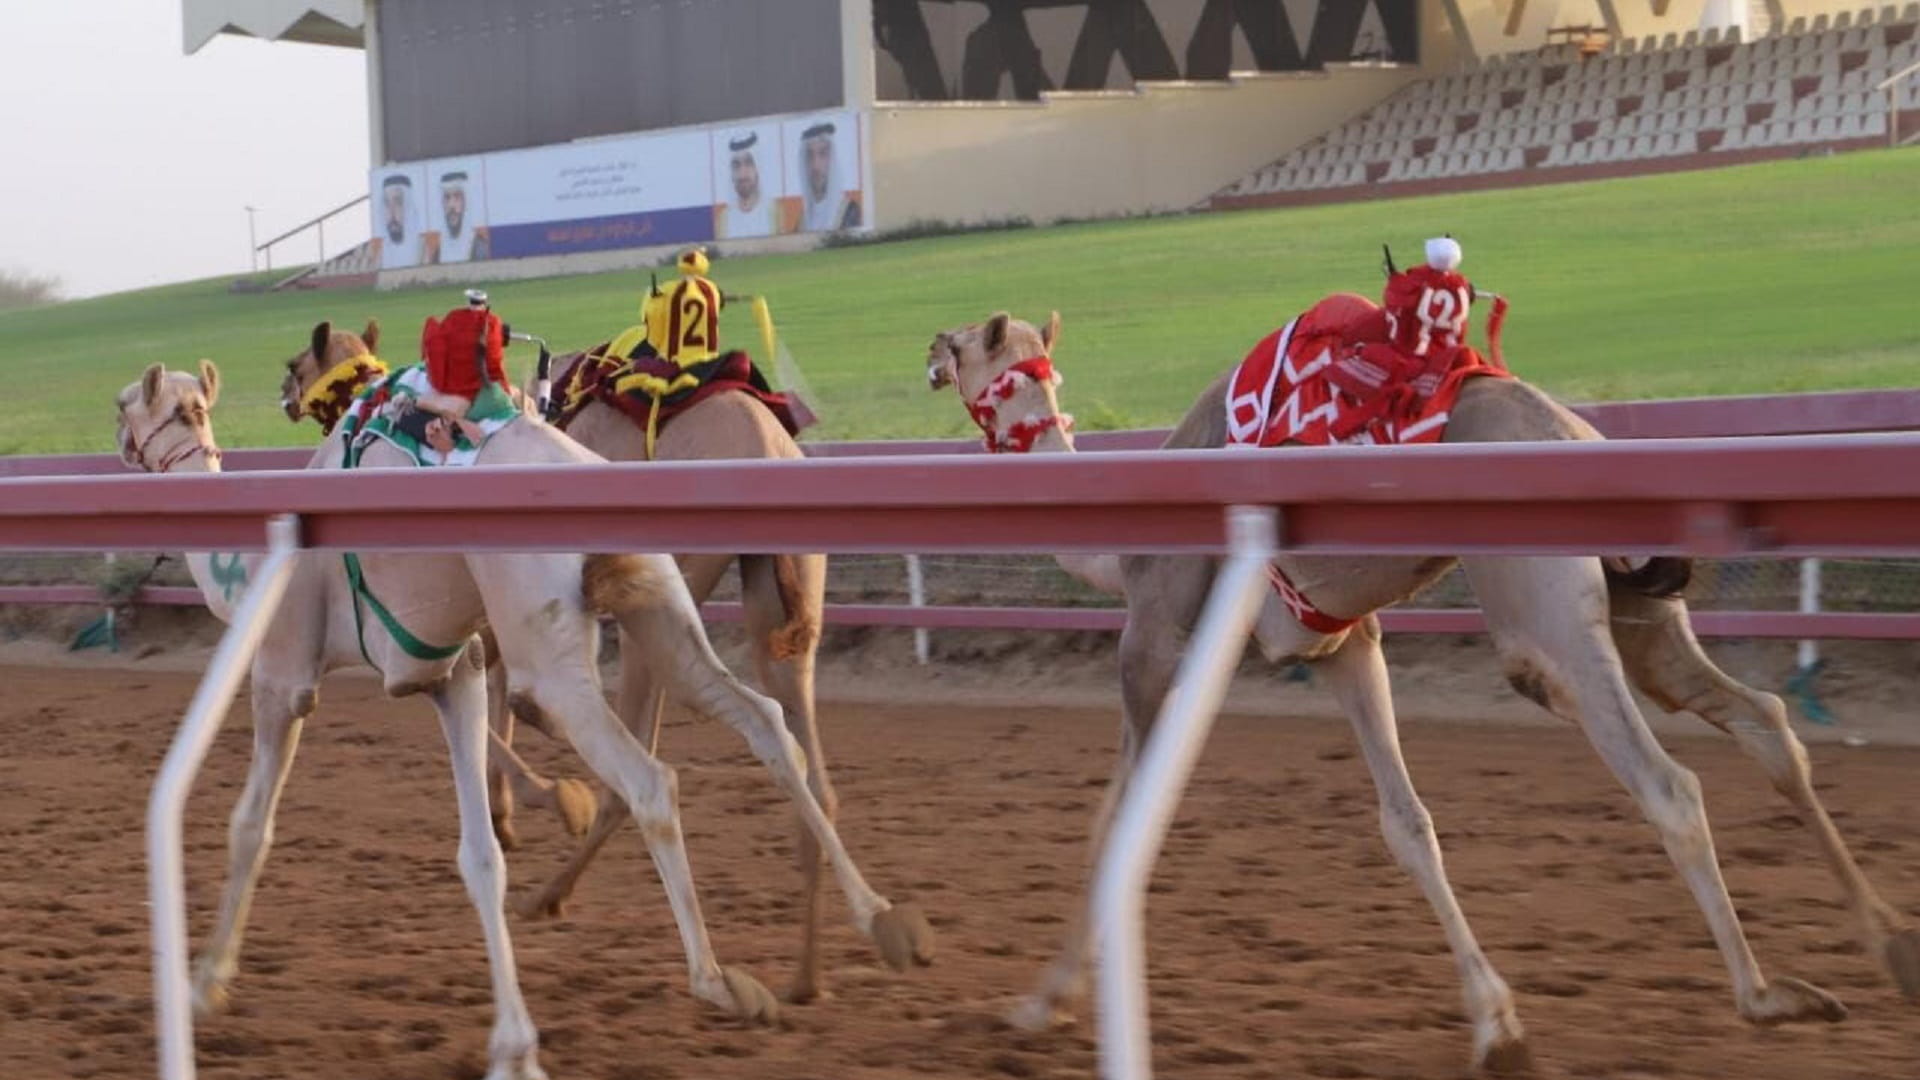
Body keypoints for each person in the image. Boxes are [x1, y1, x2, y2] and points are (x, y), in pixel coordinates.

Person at [798, 122, 861, 233]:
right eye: (810, 156)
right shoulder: (803, 220)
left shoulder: (849, 212)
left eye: (823, 154)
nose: (815, 165)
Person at [717, 131, 775, 239]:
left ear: (758, 167)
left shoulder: (774, 211)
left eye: (749, 163)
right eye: (736, 165)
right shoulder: (723, 219)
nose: (742, 174)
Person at [434, 169, 489, 263]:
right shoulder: (438, 253)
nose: (451, 206)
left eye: (457, 197)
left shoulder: (480, 248)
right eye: (447, 198)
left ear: (466, 202)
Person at [378, 173, 421, 269]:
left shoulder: (423, 252)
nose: (391, 213)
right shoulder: (381, 254)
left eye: (398, 202)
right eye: (387, 203)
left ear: (408, 207)